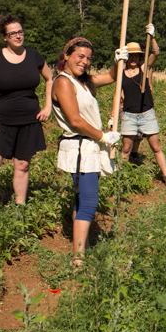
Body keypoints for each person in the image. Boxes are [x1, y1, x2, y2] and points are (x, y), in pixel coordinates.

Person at [52, 37, 125, 266]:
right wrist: (103, 136)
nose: (84, 62)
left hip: (88, 145)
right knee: (90, 201)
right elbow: (75, 120)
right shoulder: (64, 82)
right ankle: (79, 258)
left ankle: (79, 251)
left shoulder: (85, 81)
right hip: (81, 148)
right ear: (67, 55)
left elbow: (113, 77)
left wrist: (118, 61)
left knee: (83, 199)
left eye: (88, 58)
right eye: (80, 56)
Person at [0, 15, 53, 217]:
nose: (18, 36)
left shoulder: (34, 56)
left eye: (20, 32)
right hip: (0, 120)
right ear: (5, 37)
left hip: (28, 119)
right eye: (13, 33)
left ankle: (19, 210)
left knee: (22, 165)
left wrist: (48, 106)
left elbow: (50, 78)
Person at [119, 28, 166, 189]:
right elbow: (119, 97)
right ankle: (119, 180)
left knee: (156, 147)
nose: (134, 58)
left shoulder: (144, 69)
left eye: (137, 55)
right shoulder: (121, 74)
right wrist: (114, 114)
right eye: (131, 55)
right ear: (127, 57)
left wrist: (152, 36)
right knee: (126, 149)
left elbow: (156, 52)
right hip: (129, 115)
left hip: (146, 114)